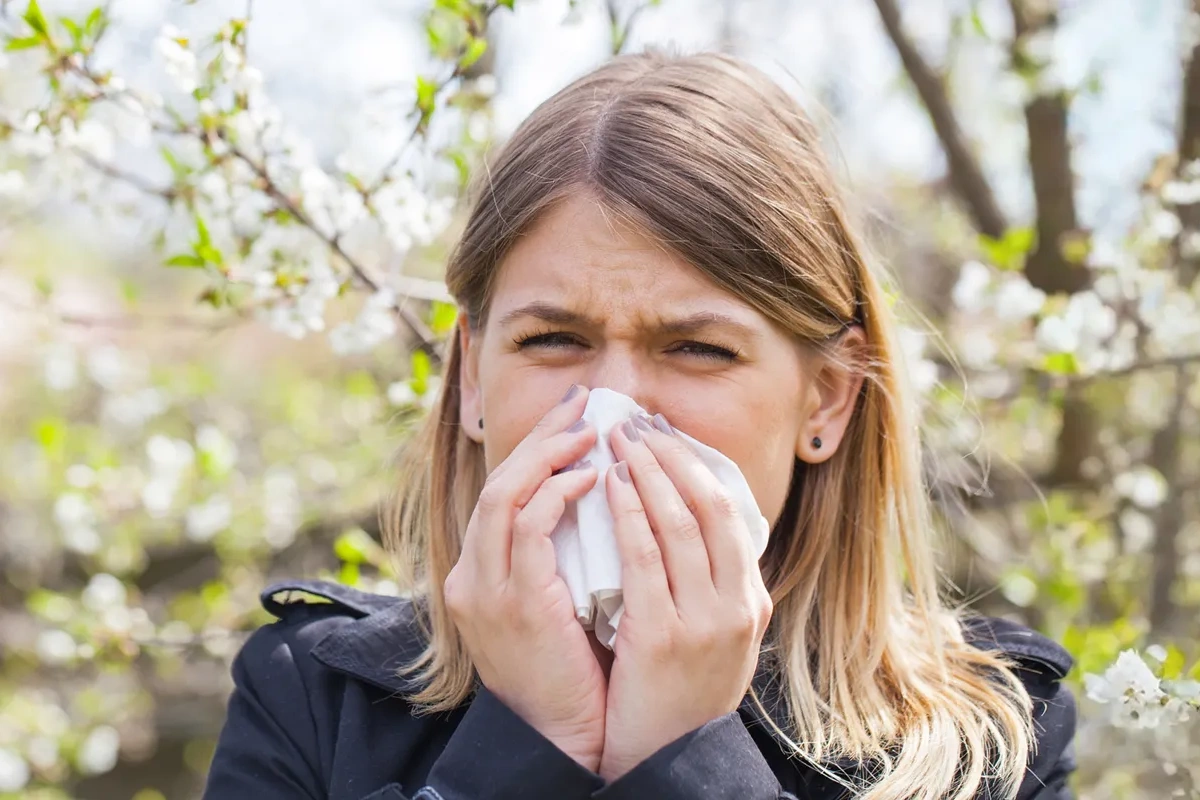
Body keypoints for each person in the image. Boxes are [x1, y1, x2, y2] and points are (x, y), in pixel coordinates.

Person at [203, 49, 1077, 800]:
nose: (611, 410)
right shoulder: (309, 697)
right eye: (553, 340)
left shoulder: (991, 739)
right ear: (471, 377)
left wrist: (688, 754)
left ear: (826, 398)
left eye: (697, 348)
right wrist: (529, 743)